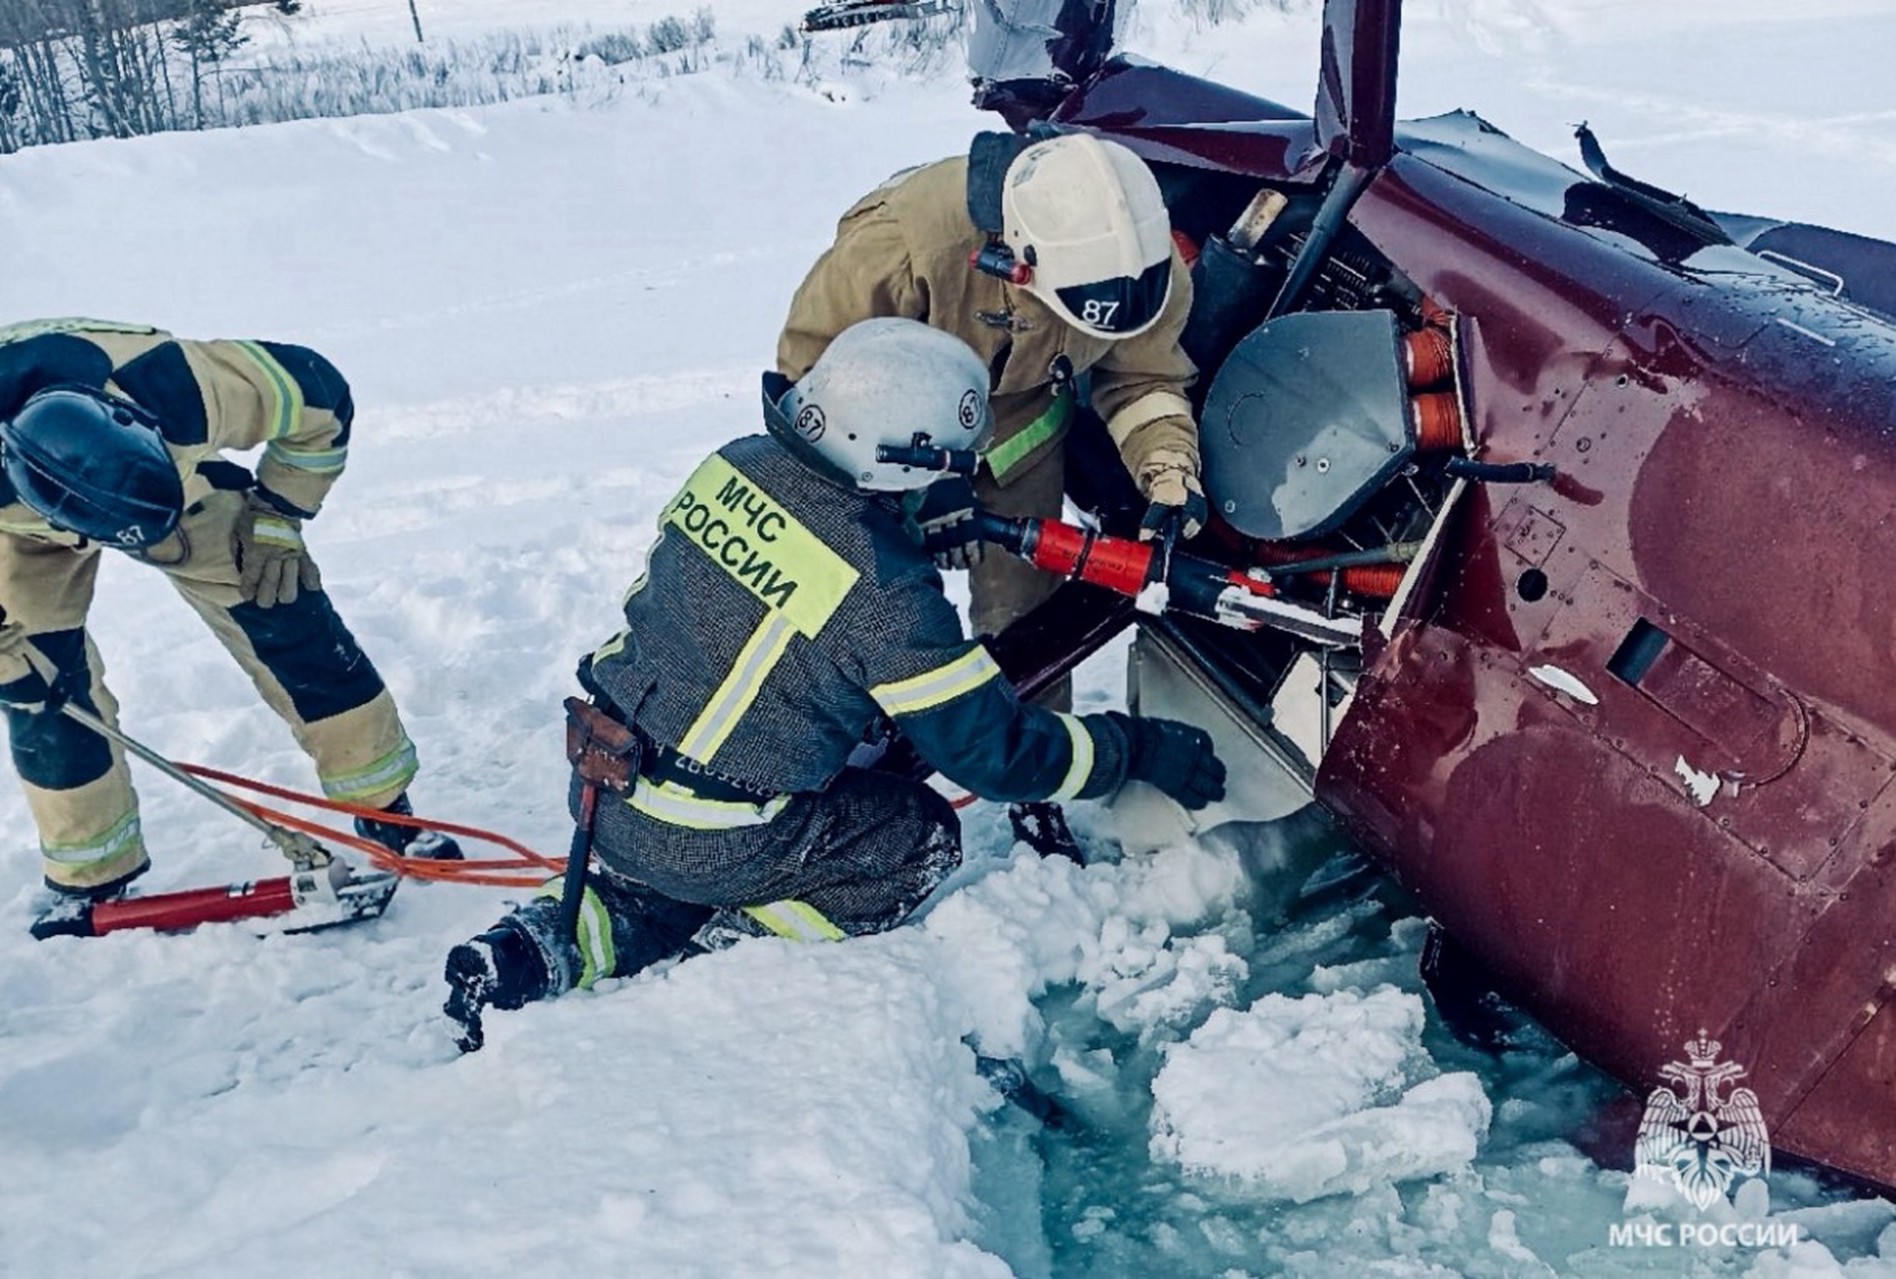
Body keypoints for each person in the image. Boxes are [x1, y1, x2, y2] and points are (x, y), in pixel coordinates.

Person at [443, 318, 1224, 1051]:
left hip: (606, 782)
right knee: (913, 836)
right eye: (950, 469)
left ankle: (533, 948)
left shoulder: (737, 463)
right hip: (711, 829)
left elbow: (786, 590)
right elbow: (997, 756)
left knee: (666, 870)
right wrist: (1135, 748)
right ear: (899, 468)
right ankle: (733, 950)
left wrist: (902, 525)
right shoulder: (887, 596)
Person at [776, 130, 1205, 863]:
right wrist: (922, 484)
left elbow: (1141, 377)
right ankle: (828, 765)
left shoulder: (1142, 267)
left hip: (1017, 428)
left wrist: (1168, 470)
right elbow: (811, 378)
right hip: (876, 435)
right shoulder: (903, 244)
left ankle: (1032, 787)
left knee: (1028, 614)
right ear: (1017, 260)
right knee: (864, 609)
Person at [0, 317, 459, 918]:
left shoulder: (183, 387)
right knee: (39, 689)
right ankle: (90, 870)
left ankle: (385, 809)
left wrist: (276, 517)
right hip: (16, 529)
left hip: (175, 489)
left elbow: (323, 397)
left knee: (284, 611)